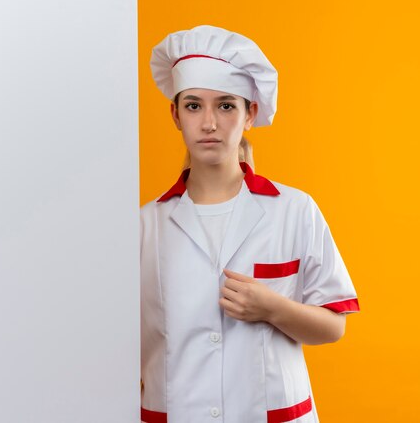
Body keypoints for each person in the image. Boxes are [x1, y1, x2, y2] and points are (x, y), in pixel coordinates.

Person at [140, 25, 359, 423]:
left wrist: (273, 308)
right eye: (193, 105)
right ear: (175, 114)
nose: (209, 123)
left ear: (250, 114)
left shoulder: (294, 210)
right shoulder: (144, 226)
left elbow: (333, 327)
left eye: (226, 106)